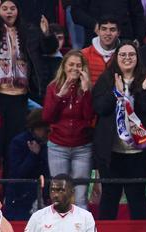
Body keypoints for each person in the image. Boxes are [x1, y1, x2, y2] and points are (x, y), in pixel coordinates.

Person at [0, 0, 56, 179]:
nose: (9, 12)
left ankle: (12, 196)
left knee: (14, 150)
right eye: (5, 9)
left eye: (13, 8)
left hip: (19, 98)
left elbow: (49, 48)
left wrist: (47, 34)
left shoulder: (28, 30)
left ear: (18, 11)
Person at [92, 41, 146, 220]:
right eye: (123, 55)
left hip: (138, 153)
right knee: (109, 197)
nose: (127, 58)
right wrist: (116, 93)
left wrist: (143, 92)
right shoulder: (107, 78)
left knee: (137, 198)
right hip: (112, 152)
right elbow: (99, 108)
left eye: (131, 55)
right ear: (116, 57)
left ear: (137, 58)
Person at [42, 50, 94, 209]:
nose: (75, 68)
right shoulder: (53, 87)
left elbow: (89, 117)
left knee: (80, 194)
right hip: (58, 146)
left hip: (82, 147)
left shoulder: (89, 88)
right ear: (64, 66)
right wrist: (60, 95)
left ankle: (82, 230)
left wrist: (85, 93)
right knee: (58, 192)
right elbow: (47, 117)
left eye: (79, 65)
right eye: (71, 64)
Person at [5, 109, 49, 220]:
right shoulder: (19, 142)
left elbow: (47, 171)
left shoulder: (46, 144)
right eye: (45, 129)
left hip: (37, 194)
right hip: (19, 195)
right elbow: (18, 173)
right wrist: (33, 155)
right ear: (36, 127)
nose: (48, 132)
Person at [71, 0, 146, 45]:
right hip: (95, 40)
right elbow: (76, 13)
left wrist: (138, 38)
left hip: (124, 40)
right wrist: (94, 25)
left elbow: (138, 14)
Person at [80, 16, 119, 85]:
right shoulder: (83, 54)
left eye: (112, 30)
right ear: (98, 31)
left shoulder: (125, 54)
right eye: (104, 29)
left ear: (118, 33)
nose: (108, 33)